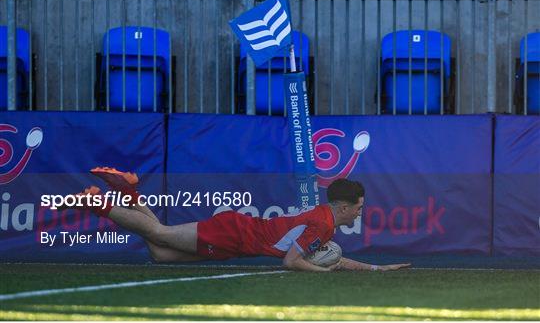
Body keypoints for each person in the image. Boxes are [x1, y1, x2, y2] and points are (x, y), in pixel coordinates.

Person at [61, 167, 410, 272]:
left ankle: (130, 194)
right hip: (234, 234)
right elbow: (292, 261)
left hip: (236, 244)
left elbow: (327, 253)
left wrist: (376, 270)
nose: (362, 212)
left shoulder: (325, 221)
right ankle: (98, 203)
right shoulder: (322, 224)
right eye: (359, 207)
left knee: (160, 252)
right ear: (344, 206)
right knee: (159, 232)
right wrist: (323, 272)